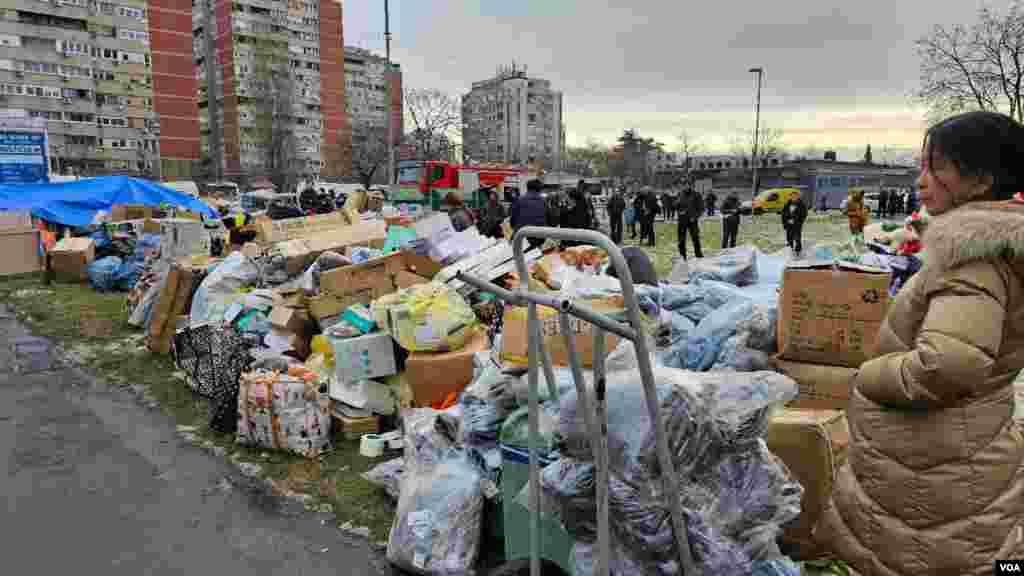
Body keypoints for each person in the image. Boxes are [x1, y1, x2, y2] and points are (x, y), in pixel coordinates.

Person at [815, 110, 1024, 576]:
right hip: (946, 458)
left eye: (936, 167)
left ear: (979, 180)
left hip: (935, 468)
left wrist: (869, 375)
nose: (921, 179)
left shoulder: (972, 260)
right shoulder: (984, 250)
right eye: (921, 165)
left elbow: (947, 365)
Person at [510, 179, 548, 251]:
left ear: (527, 188)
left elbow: (513, 218)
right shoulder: (544, 201)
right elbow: (548, 218)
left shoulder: (519, 200)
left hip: (521, 236)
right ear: (539, 189)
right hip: (539, 236)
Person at [560, 182, 596, 248]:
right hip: (585, 244)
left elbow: (565, 233)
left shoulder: (567, 213)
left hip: (572, 246)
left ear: (573, 200)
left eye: (568, 199)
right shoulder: (585, 211)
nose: (567, 201)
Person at [677, 186, 704, 259]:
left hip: (692, 220)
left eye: (687, 184)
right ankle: (682, 255)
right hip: (682, 220)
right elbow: (676, 206)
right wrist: (678, 205)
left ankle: (698, 254)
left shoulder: (696, 195)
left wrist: (695, 217)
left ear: (690, 185)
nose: (686, 186)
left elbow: (701, 208)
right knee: (681, 239)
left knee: (695, 237)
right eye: (684, 184)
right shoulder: (680, 194)